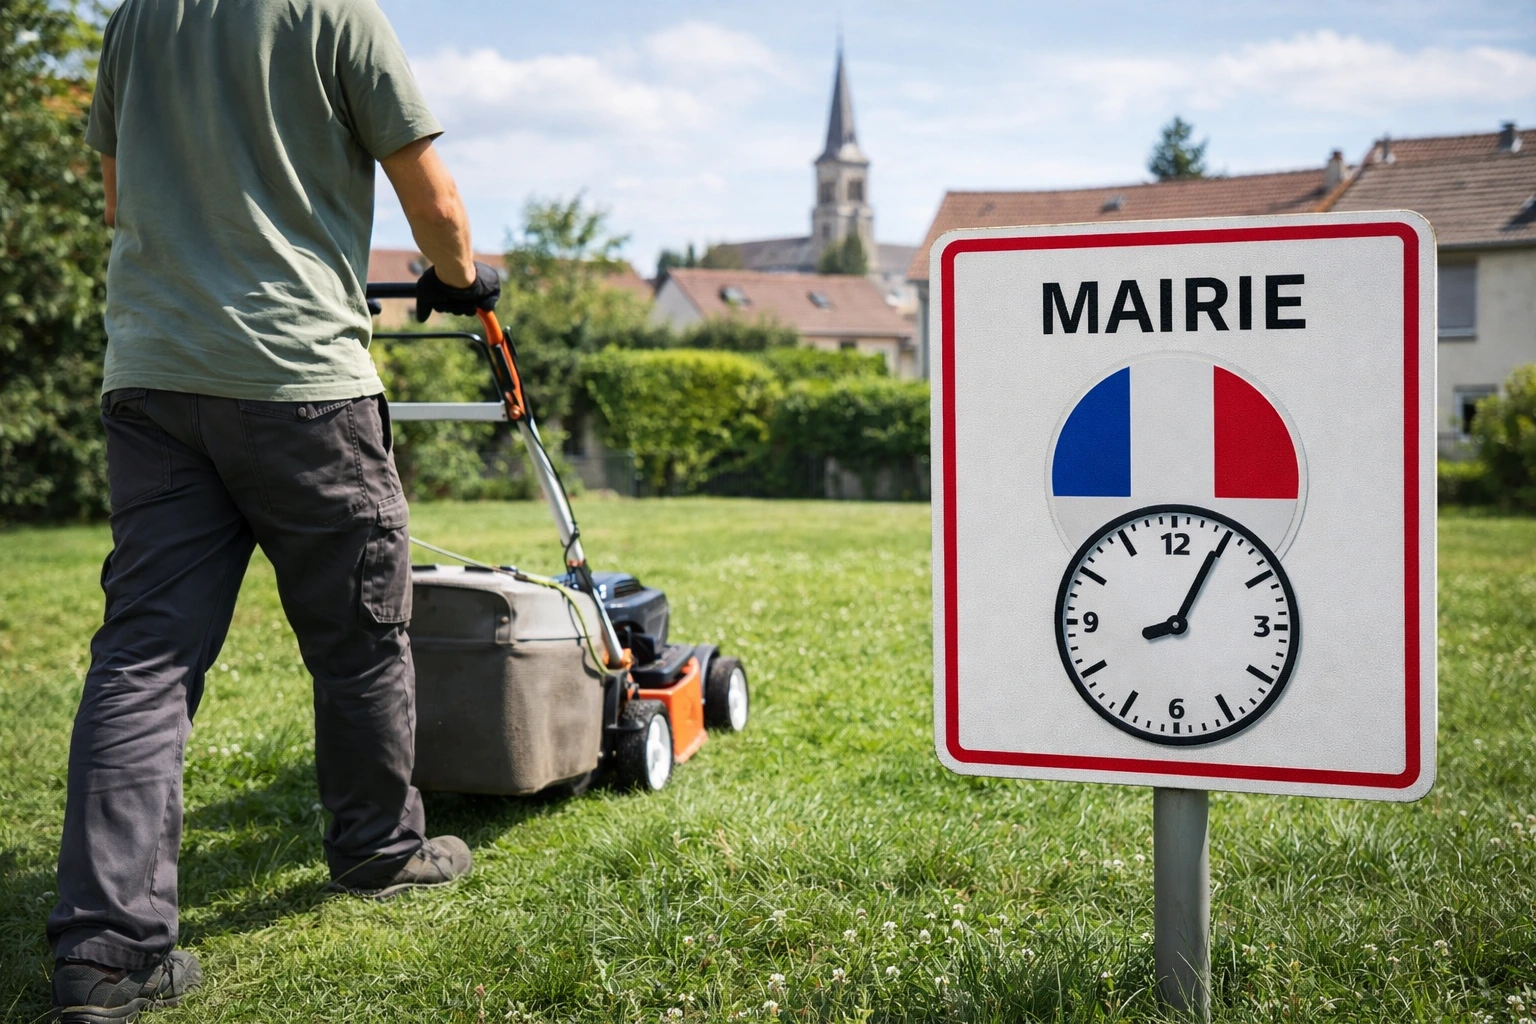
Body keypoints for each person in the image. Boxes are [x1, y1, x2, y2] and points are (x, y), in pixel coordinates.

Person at [47, 1, 500, 1019]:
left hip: (155, 379)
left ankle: (106, 956)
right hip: (304, 384)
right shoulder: (337, 13)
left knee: (145, 657)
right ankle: (379, 851)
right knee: (360, 638)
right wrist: (461, 278)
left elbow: (119, 201)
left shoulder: (135, 20)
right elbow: (434, 200)